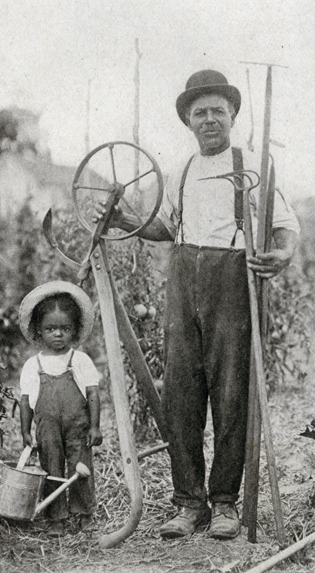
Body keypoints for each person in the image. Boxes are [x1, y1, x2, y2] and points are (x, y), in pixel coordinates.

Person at [94, 69, 300, 539]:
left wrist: (282, 253)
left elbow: (285, 224)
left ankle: (225, 503)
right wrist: (124, 217)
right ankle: (189, 504)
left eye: (218, 112)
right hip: (183, 283)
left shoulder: (254, 165)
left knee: (231, 395)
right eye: (200, 113)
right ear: (188, 120)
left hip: (233, 283)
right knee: (182, 397)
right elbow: (165, 228)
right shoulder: (180, 171)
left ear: (233, 117)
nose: (210, 120)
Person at [18, 281, 102, 536]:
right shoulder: (34, 365)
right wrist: (25, 432)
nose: (58, 334)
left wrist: (95, 426)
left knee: (80, 467)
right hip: (47, 429)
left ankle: (83, 513)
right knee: (51, 468)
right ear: (39, 331)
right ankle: (56, 517)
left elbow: (92, 393)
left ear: (74, 330)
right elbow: (25, 401)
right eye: (50, 328)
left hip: (78, 425)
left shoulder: (79, 360)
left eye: (65, 328)